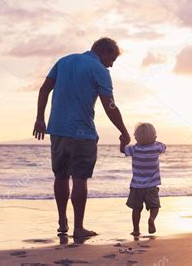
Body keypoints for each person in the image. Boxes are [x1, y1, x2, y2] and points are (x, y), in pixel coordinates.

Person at [33, 37, 131, 238]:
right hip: (82, 133)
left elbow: (44, 90)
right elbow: (109, 106)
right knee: (80, 179)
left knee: (60, 177)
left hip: (57, 130)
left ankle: (62, 222)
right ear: (104, 51)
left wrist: (39, 119)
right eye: (112, 59)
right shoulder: (100, 71)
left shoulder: (64, 61)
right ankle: (78, 228)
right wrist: (124, 130)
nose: (111, 65)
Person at [120, 122, 166, 236]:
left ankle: (136, 230)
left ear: (136, 137)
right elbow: (164, 146)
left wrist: (123, 142)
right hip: (151, 186)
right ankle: (151, 219)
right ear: (154, 136)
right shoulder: (157, 147)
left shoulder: (134, 149)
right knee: (154, 206)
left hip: (136, 186)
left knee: (136, 209)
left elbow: (123, 150)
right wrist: (154, 140)